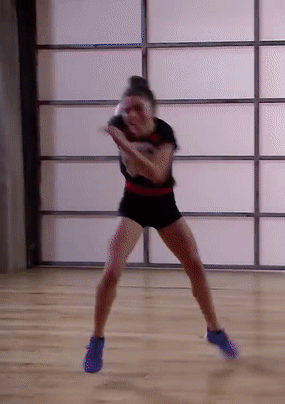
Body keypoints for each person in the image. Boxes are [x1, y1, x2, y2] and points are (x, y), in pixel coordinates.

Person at [83, 76, 238, 373]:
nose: (132, 115)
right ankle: (97, 339)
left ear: (152, 112)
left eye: (139, 109)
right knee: (111, 271)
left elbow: (157, 174)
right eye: (127, 110)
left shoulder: (164, 133)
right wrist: (129, 142)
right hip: (134, 205)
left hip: (164, 205)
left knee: (194, 265)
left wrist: (125, 144)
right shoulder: (120, 124)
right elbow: (133, 167)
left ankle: (215, 330)